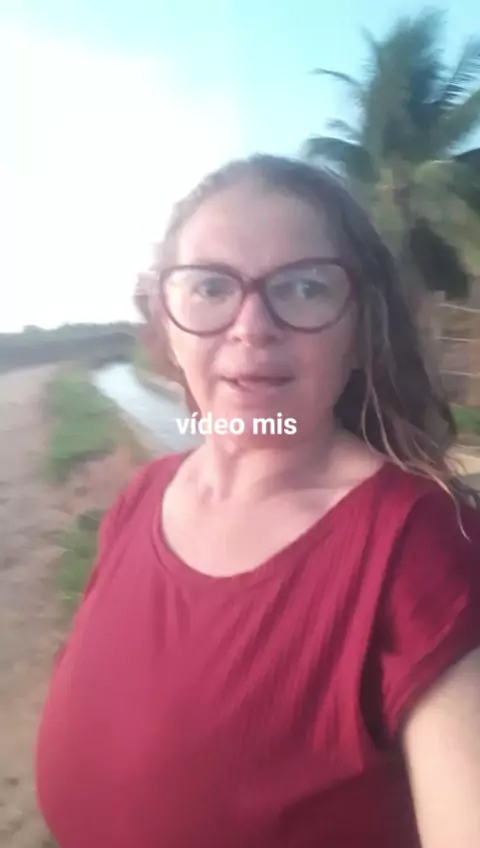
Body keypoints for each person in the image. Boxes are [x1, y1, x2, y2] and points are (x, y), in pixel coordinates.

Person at [36, 154, 480, 848]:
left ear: (359, 332)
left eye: (303, 288)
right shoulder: (141, 500)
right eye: (211, 286)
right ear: (169, 324)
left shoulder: (424, 550)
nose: (251, 325)